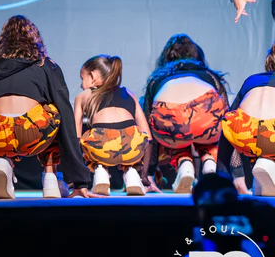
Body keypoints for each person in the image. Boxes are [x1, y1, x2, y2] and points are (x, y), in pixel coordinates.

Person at [0, 16, 93, 199]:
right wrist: (80, 182)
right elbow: (66, 115)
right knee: (54, 110)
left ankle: (1, 162)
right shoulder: (46, 65)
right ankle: (50, 176)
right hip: (32, 132)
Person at [142, 34, 228, 193]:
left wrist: (149, 174)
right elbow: (226, 117)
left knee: (175, 131)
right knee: (208, 127)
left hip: (170, 116)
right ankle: (210, 163)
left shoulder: (156, 79)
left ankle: (184, 164)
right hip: (205, 112)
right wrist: (231, 171)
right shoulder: (209, 75)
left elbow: (148, 129)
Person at [74, 55, 152, 196]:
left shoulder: (83, 95)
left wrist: (78, 179)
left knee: (88, 139)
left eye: (82, 78)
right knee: (135, 137)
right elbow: (148, 138)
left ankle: (100, 172)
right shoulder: (129, 93)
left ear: (93, 76)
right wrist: (144, 175)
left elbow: (75, 136)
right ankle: (132, 174)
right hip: (132, 147)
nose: (81, 84)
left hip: (101, 148)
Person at [220, 40, 275, 196]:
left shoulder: (252, 80)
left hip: (243, 134)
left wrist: (222, 172)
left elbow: (230, 117)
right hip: (272, 136)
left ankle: (261, 172)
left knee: (233, 120)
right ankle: (269, 165)